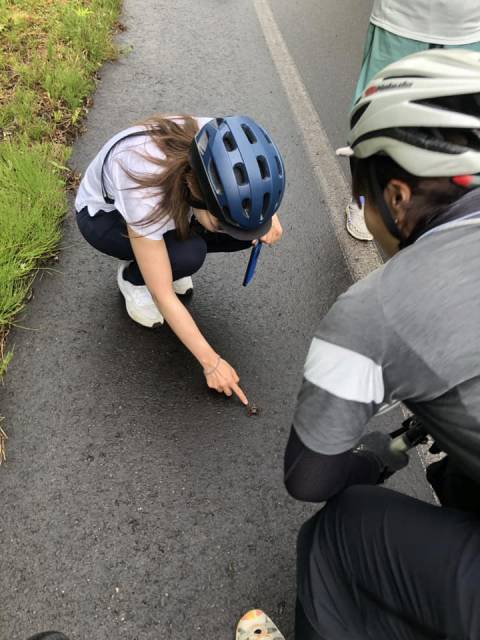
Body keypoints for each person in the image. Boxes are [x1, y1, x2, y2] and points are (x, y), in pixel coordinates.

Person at [237, 49, 480, 639]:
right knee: (457, 481)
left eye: (363, 198)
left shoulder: (375, 310)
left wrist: (378, 454)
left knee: (343, 530)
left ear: (396, 196)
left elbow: (309, 480)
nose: (366, 216)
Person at [75, 115, 285, 405]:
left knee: (246, 232)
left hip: (173, 198)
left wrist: (264, 213)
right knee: (188, 256)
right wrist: (211, 363)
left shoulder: (217, 140)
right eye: (221, 221)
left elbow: (251, 174)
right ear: (199, 197)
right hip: (103, 217)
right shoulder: (143, 189)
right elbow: (163, 293)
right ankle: (133, 278)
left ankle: (170, 251)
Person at [346, 0, 480, 241]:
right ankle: (365, 199)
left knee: (459, 127)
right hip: (401, 20)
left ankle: (444, 208)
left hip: (468, 27)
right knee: (378, 116)